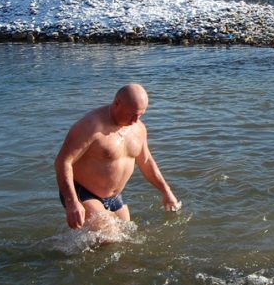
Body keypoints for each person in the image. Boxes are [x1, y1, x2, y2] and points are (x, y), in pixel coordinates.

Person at [55, 83, 181, 230]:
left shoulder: (138, 128)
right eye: (131, 114)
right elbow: (63, 162)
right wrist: (71, 202)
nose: (135, 120)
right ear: (116, 103)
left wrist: (166, 191)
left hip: (114, 197)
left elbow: (146, 161)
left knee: (126, 234)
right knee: (111, 237)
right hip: (83, 192)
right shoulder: (91, 126)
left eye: (140, 114)